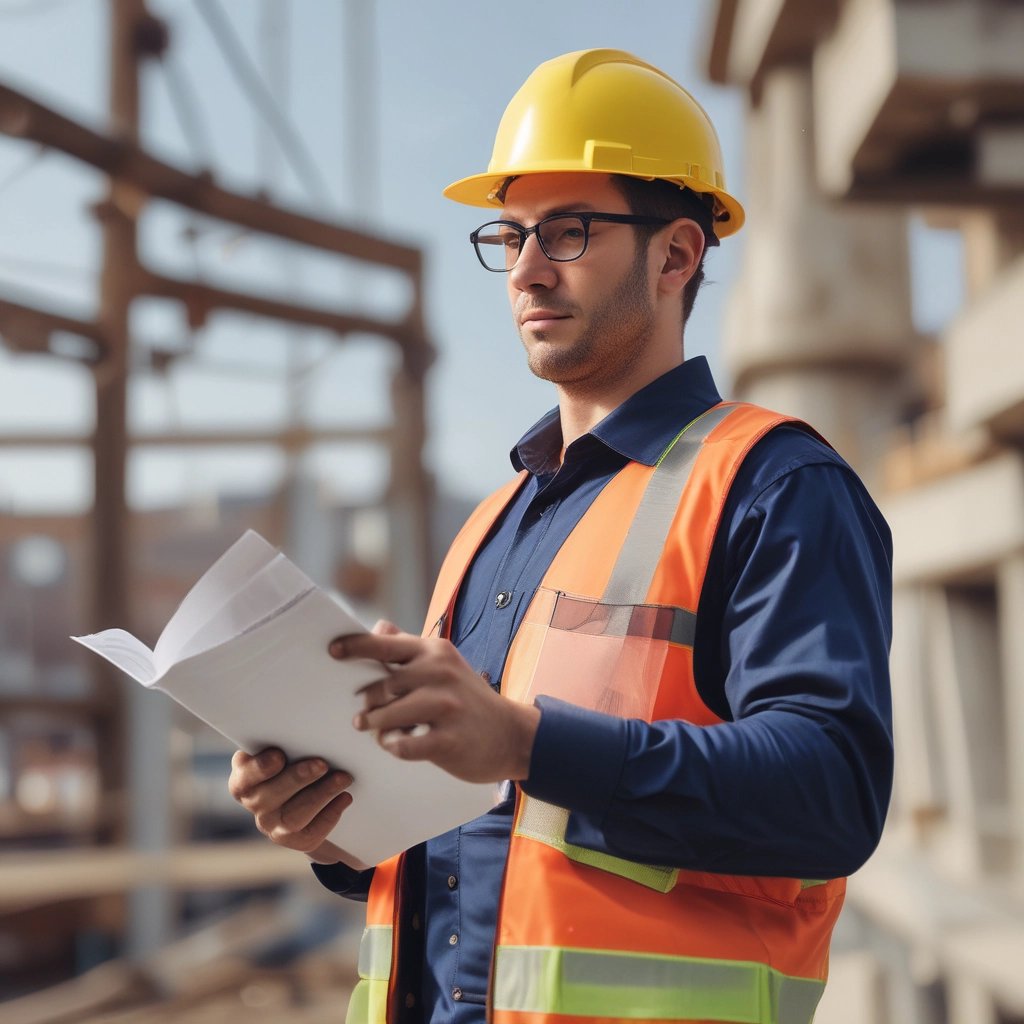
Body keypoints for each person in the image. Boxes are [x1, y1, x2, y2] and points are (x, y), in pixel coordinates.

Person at [228, 49, 893, 1024]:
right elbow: (485, 840)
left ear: (675, 256)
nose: (528, 269)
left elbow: (829, 792)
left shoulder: (771, 484)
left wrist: (526, 741)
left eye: (569, 232)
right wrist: (339, 823)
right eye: (510, 234)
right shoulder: (495, 524)